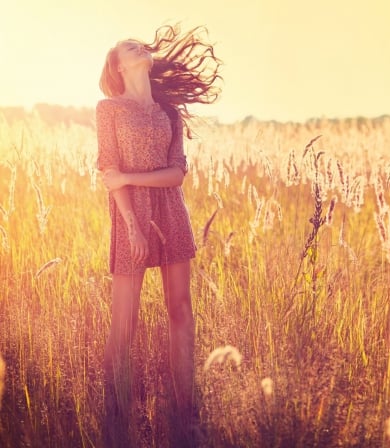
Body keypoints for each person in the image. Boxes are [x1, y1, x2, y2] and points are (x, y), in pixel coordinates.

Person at [96, 24, 221, 445]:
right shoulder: (109, 109)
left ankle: (185, 410)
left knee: (181, 309)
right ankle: (114, 415)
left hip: (171, 214)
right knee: (124, 324)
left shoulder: (169, 112)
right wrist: (132, 225)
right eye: (130, 47)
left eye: (141, 45)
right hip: (130, 216)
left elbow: (176, 176)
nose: (140, 47)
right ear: (118, 65)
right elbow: (107, 170)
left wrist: (130, 177)